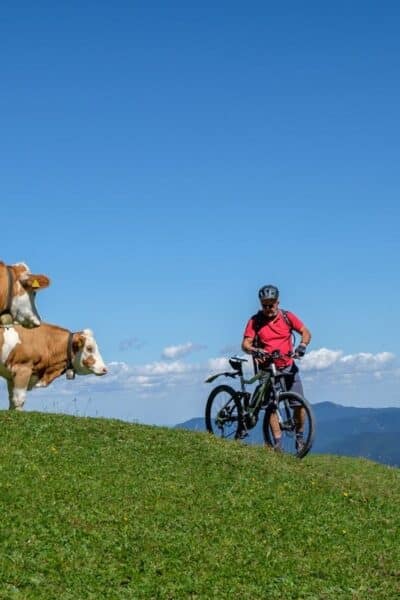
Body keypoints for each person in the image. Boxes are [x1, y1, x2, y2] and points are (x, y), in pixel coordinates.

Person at [241, 284, 311, 451]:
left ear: (277, 302)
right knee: (271, 406)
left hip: (287, 366)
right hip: (267, 368)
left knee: (299, 405)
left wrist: (302, 346)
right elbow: (245, 344)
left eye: (271, 304)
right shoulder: (255, 321)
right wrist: (255, 350)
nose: (268, 308)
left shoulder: (287, 317)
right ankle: (277, 442)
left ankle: (300, 437)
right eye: (264, 304)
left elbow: (306, 332)